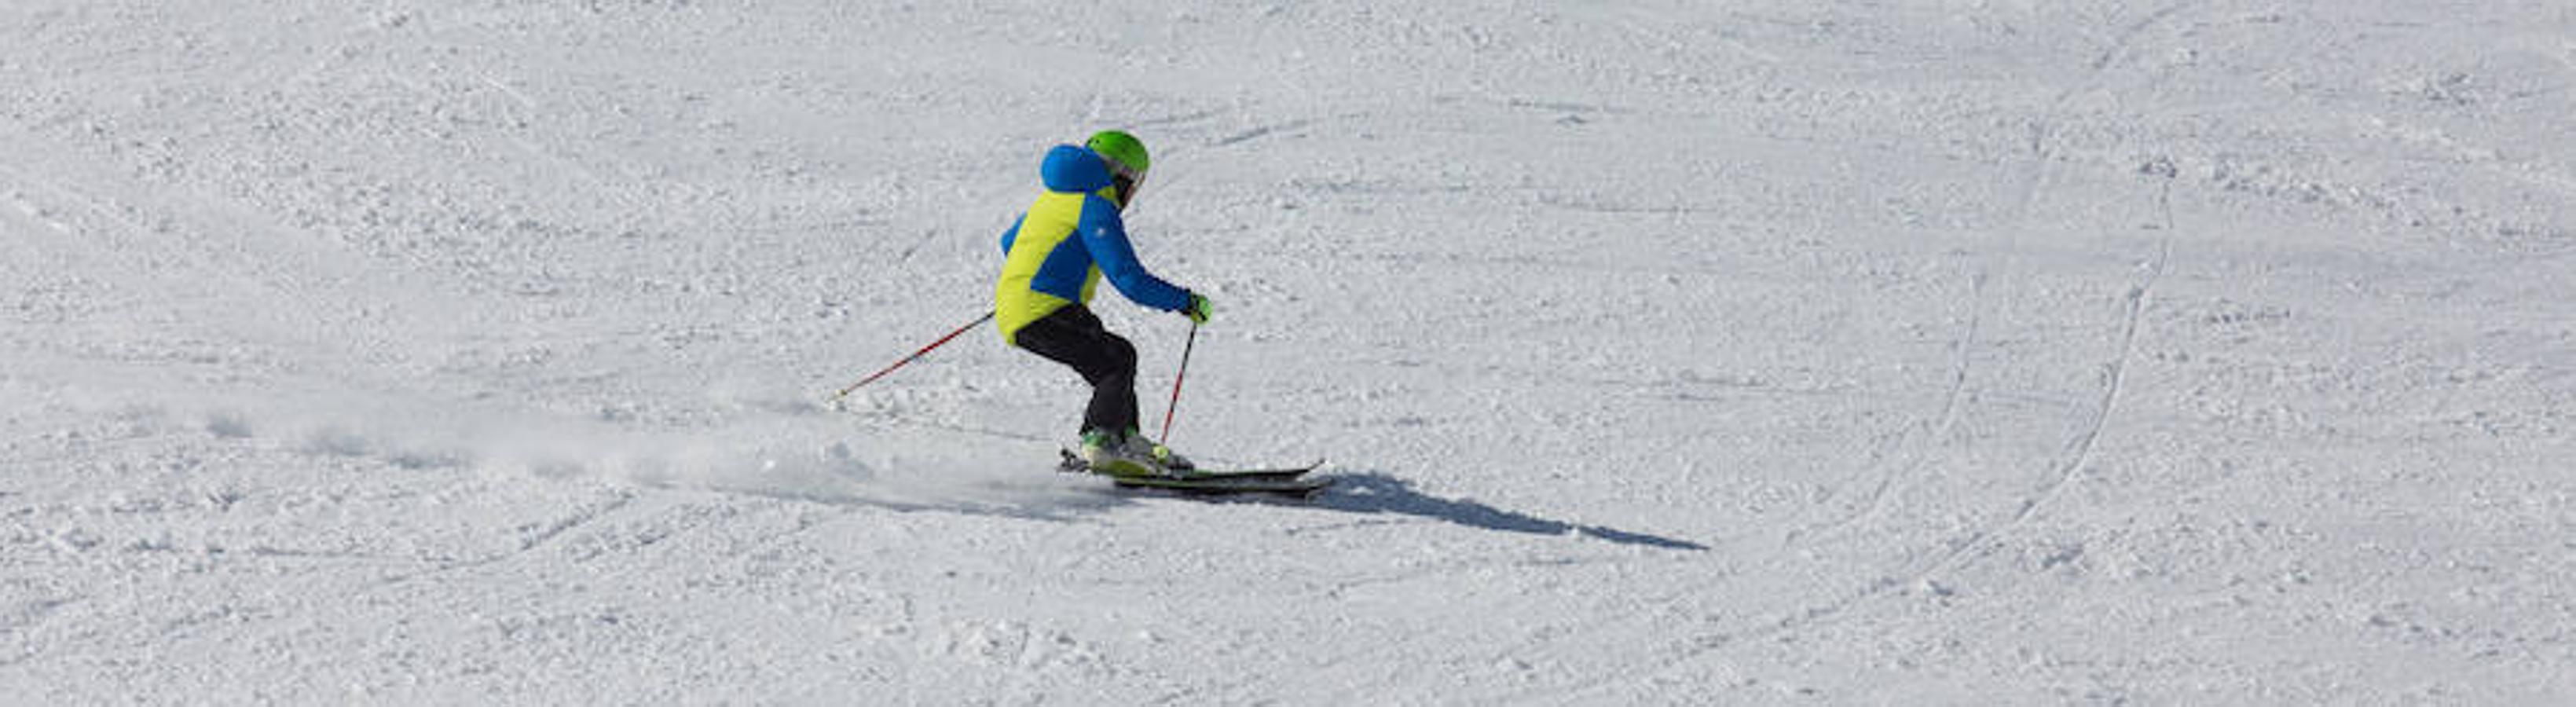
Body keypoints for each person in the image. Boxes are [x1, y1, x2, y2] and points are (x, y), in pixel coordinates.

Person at [994, 130, 1214, 477]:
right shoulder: (1095, 206)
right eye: (1135, 182)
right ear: (1121, 176)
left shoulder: (1052, 198)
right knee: (1114, 363)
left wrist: (1033, 280)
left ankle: (1124, 438)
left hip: (1023, 307)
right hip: (1044, 308)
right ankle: (1102, 443)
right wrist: (1184, 301)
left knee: (1117, 355)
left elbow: (1010, 243)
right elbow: (1129, 279)